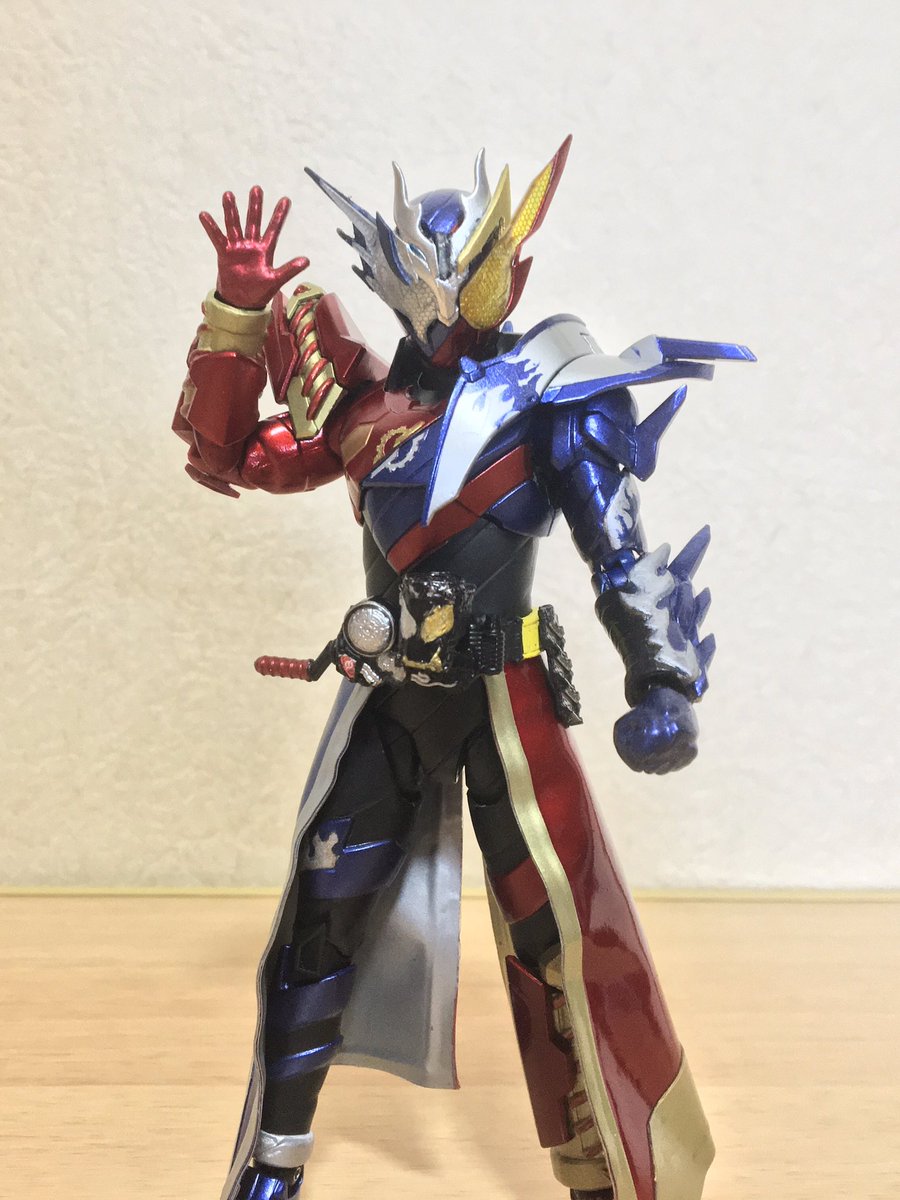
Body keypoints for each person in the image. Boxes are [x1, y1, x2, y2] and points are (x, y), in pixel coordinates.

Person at [173, 137, 753, 1200]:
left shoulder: (554, 393)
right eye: (426, 279)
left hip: (505, 699)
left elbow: (618, 548)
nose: (448, 301)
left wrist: (662, 679)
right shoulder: (362, 404)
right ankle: (275, 1158)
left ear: (507, 265)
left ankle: (603, 1163)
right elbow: (233, 460)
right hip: (391, 697)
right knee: (321, 917)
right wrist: (237, 321)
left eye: (471, 272)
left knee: (558, 935)